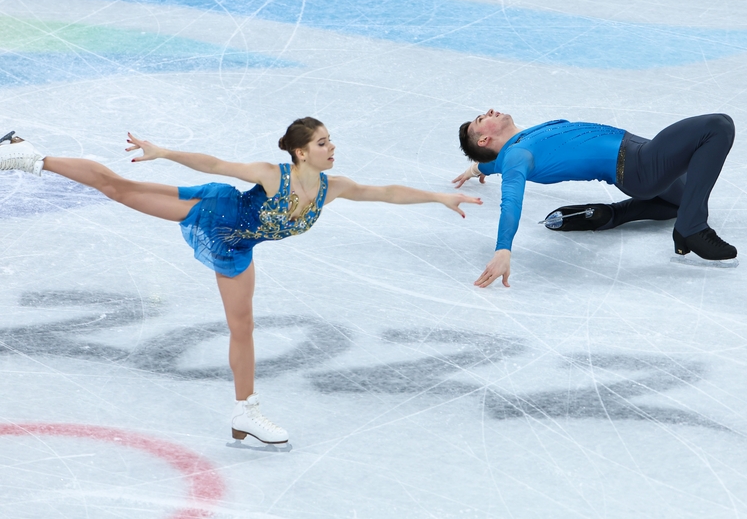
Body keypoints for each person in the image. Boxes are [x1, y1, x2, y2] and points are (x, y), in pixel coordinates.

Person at [0, 120, 480, 445]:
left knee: (242, 326)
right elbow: (216, 166)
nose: (331, 147)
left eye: (330, 140)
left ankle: (244, 412)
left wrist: (439, 198)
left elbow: (385, 193)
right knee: (118, 189)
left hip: (236, 249)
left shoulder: (333, 188)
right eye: (322, 142)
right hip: (210, 211)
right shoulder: (272, 175)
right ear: (300, 152)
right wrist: (163, 152)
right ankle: (30, 158)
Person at [452, 110, 736, 287]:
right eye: (481, 120)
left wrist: (477, 167)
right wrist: (503, 250)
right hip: (640, 166)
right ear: (483, 141)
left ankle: (612, 214)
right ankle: (692, 228)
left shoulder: (514, 150)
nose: (489, 111)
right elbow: (511, 200)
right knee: (718, 126)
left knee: (683, 198)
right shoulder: (516, 156)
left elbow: (496, 164)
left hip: (643, 160)